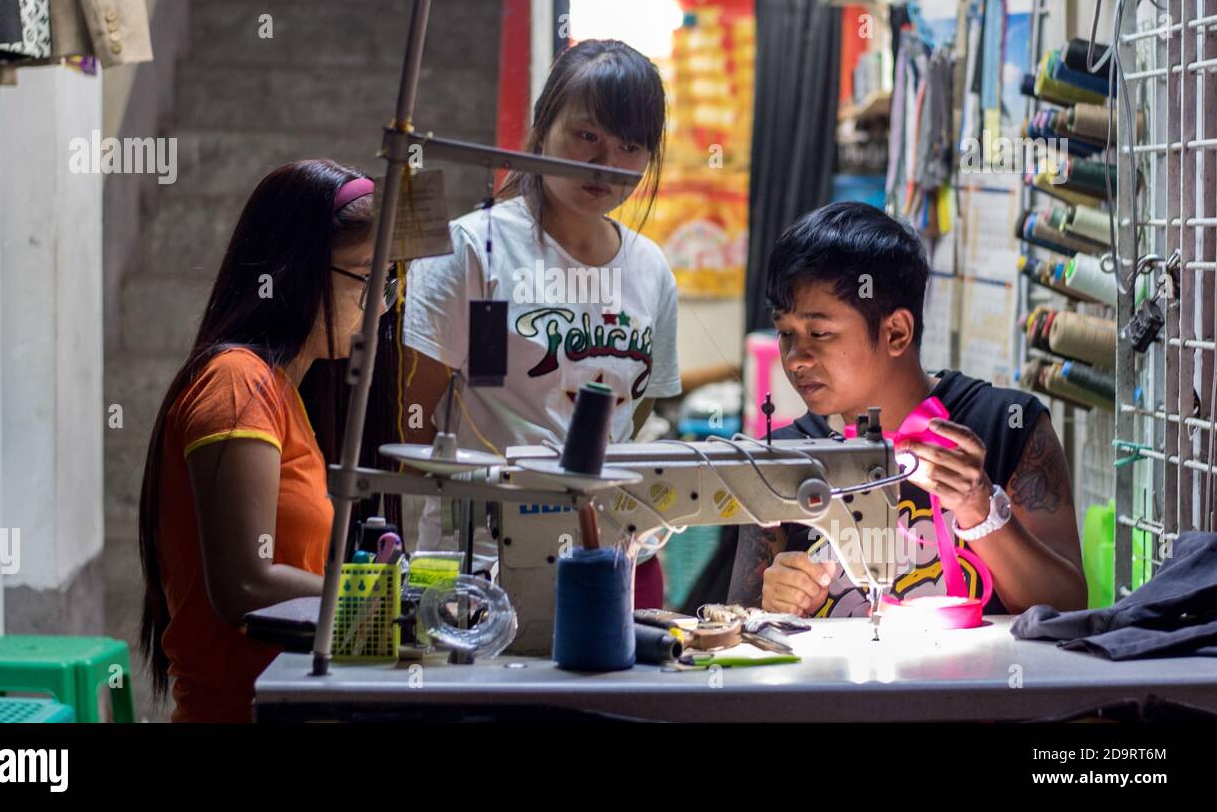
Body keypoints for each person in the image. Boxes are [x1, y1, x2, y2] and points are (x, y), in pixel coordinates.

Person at [402, 39, 681, 610]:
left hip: (616, 560)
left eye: (630, 146)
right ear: (542, 126)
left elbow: (636, 410)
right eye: (587, 136)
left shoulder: (650, 269)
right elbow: (409, 420)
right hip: (480, 568)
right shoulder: (475, 249)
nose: (606, 164)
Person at [728, 202, 1086, 617]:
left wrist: (982, 510)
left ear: (896, 331)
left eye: (819, 333)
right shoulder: (779, 459)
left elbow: (1068, 607)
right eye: (785, 333)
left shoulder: (1007, 427)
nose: (794, 359)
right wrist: (772, 603)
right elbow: (738, 629)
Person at [137, 159, 400, 721]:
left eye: (390, 281)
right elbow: (243, 583)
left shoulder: (285, 394)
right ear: (297, 271)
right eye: (366, 278)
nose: (380, 305)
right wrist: (378, 601)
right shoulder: (237, 383)